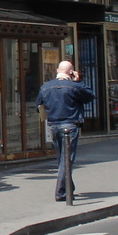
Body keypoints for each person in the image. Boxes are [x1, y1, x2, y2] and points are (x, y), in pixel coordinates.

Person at [36, 60, 96, 202]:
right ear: (71, 72)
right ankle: (61, 192)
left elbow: (38, 105)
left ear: (57, 71)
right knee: (67, 159)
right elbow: (90, 96)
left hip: (53, 125)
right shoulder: (74, 86)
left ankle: (68, 188)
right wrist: (79, 80)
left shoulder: (45, 87)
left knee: (62, 159)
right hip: (70, 125)